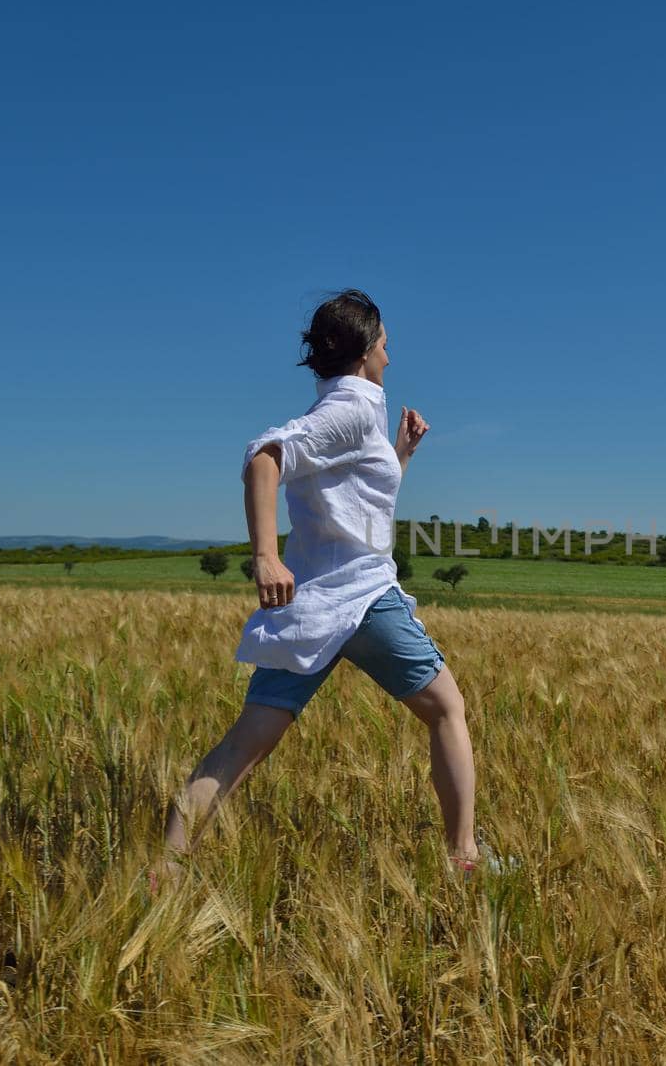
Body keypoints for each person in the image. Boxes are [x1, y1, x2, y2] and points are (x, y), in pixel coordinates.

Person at [157, 288, 496, 886]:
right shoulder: (353, 408)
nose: (390, 357)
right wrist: (264, 555)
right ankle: (463, 858)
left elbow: (357, 506)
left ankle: (166, 867)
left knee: (247, 743)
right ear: (366, 351)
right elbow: (264, 456)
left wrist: (400, 455)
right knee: (448, 709)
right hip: (363, 598)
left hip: (311, 608)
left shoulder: (353, 413)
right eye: (386, 345)